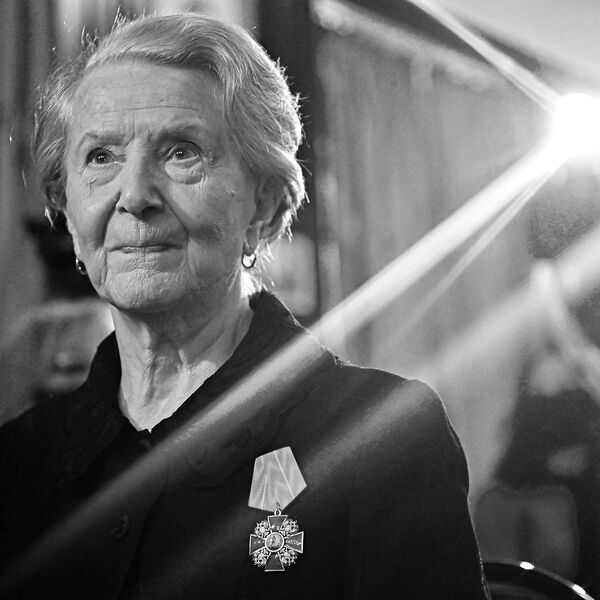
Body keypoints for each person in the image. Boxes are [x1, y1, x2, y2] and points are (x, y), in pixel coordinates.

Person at [0, 13, 489, 599]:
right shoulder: (16, 463)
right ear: (67, 210)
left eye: (181, 152)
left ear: (264, 205)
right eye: (100, 157)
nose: (134, 195)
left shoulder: (382, 437)